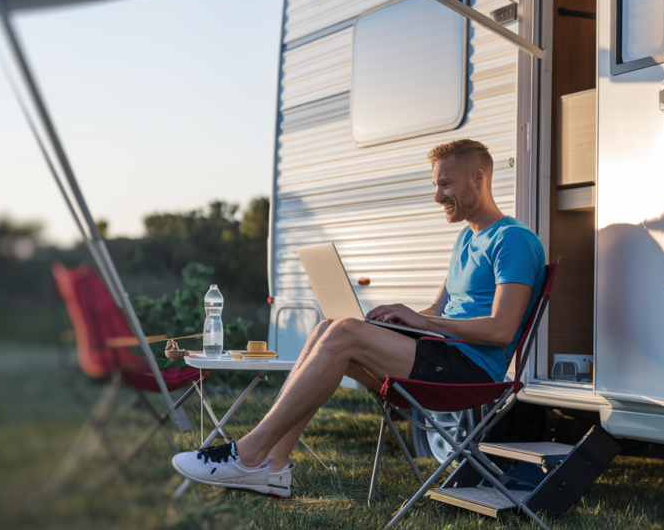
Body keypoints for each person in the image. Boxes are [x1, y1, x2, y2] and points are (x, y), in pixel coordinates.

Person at [172, 139, 546, 498]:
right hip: (440, 354)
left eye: (445, 184)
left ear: (478, 179)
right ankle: (273, 466)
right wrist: (402, 317)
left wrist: (425, 323)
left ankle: (247, 454)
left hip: (470, 370)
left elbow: (500, 329)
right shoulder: (466, 239)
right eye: (435, 185)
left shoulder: (513, 239)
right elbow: (437, 311)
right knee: (327, 329)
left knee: (345, 332)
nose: (437, 196)